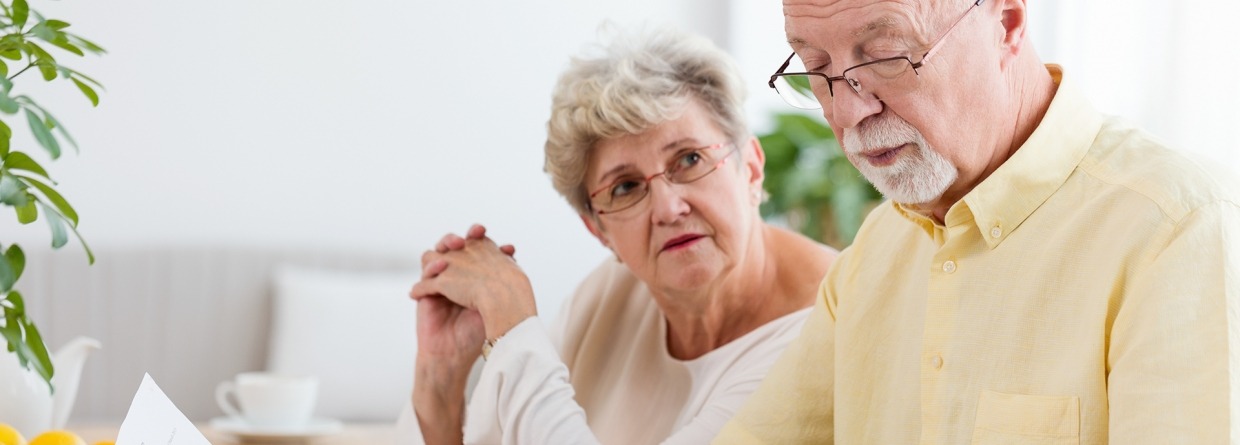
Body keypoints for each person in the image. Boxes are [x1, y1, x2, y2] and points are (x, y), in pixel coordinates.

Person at [713, 0, 1240, 443]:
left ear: (1006, 23)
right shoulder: (879, 246)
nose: (848, 112)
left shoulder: (1177, 228)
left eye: (887, 56)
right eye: (815, 66)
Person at [396, 27, 837, 444]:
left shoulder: (827, 326)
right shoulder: (610, 293)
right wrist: (440, 378)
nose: (668, 208)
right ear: (598, 229)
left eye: (688, 159)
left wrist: (513, 325)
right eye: (625, 187)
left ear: (752, 168)